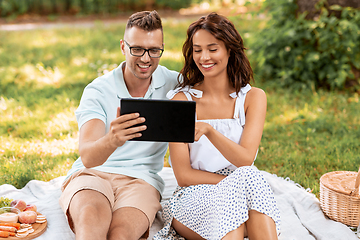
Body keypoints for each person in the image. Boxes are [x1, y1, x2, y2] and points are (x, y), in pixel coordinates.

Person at [154, 12, 281, 240]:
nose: (204, 57)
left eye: (213, 49)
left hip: (243, 189)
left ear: (229, 50)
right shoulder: (181, 102)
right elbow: (183, 176)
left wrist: (209, 131)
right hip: (195, 194)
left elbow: (245, 160)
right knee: (248, 180)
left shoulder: (253, 98)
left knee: (250, 175)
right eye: (197, 49)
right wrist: (233, 185)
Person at [59, 10, 179, 240]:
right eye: (137, 49)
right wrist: (112, 139)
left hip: (141, 180)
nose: (146, 58)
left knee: (121, 234)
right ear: (123, 47)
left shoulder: (174, 85)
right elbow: (88, 157)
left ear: (162, 48)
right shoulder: (98, 90)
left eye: (154, 50)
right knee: (90, 221)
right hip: (92, 175)